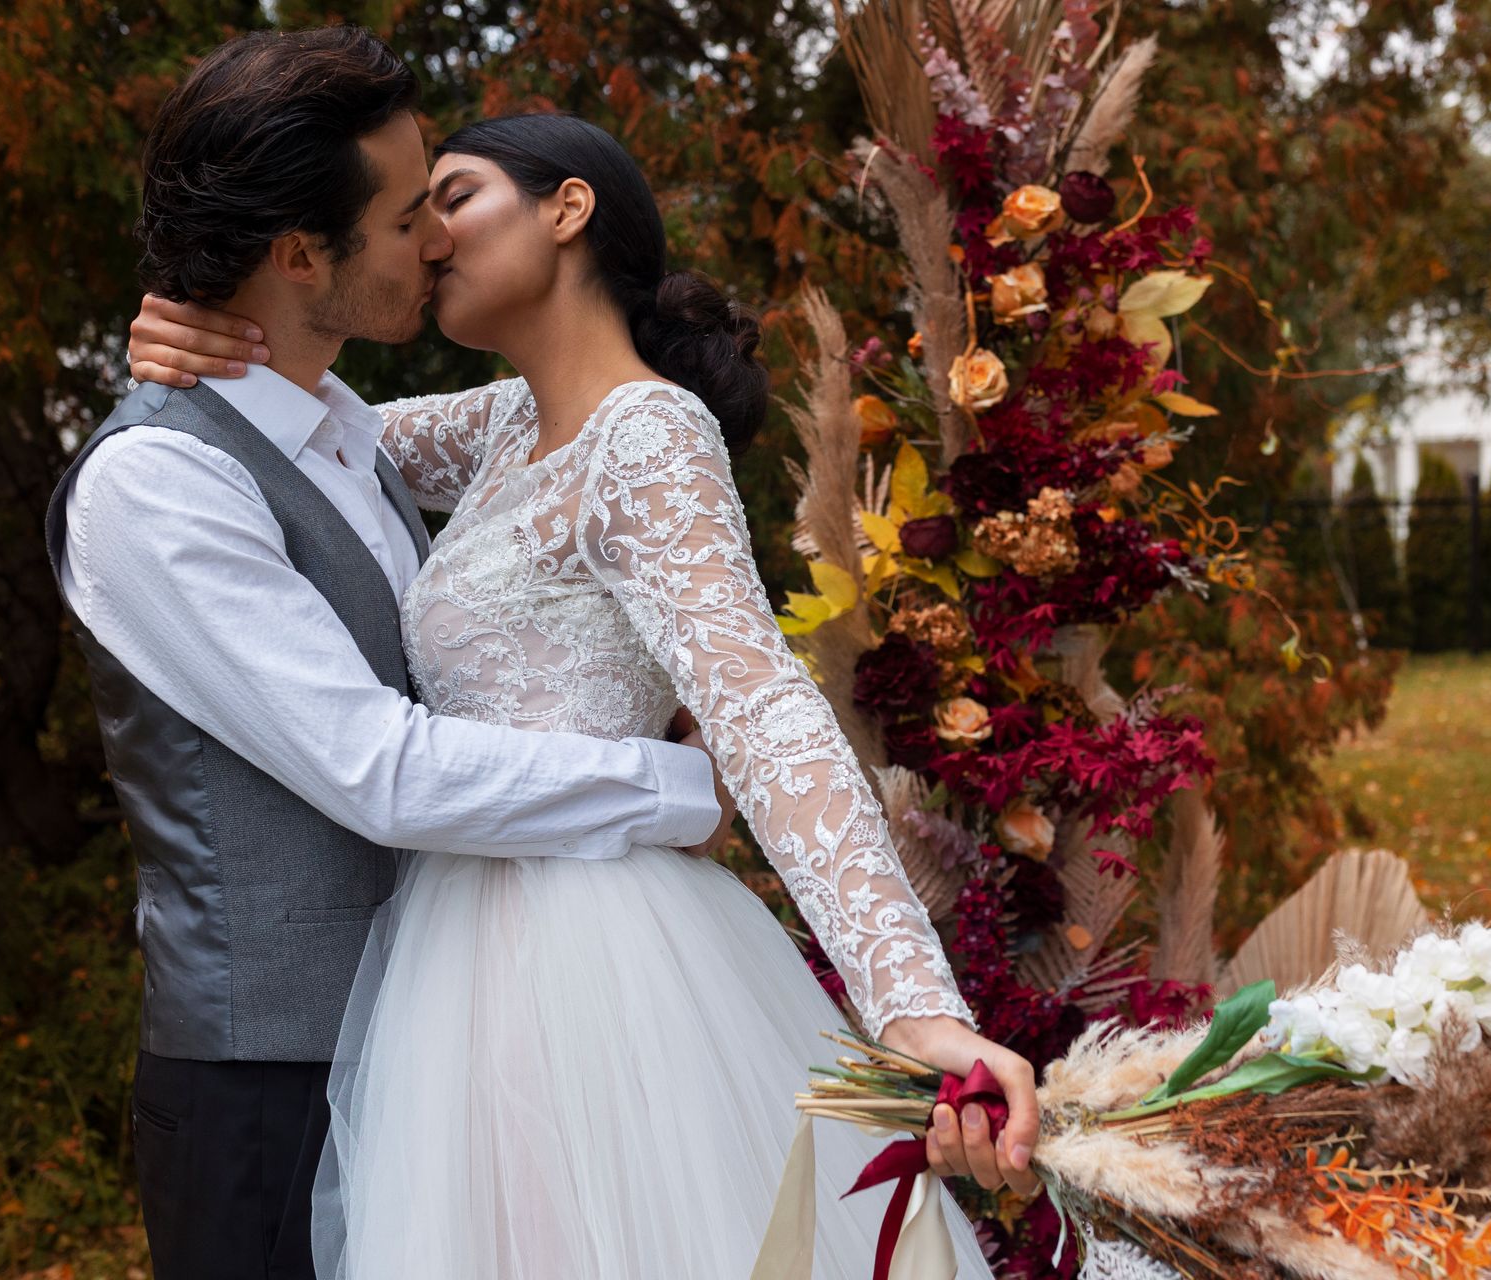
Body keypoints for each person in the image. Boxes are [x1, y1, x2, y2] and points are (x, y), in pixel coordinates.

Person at [126, 34, 1042, 1280]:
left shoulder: (649, 436)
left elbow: (764, 708)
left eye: (451, 199)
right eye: (413, 216)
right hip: (450, 969)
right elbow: (303, 437)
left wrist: (913, 1003)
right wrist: (189, 340)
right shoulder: (497, 426)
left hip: (598, 959)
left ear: (568, 209)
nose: (433, 240)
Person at [45, 28, 742, 1280]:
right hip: (269, 1088)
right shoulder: (156, 483)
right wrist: (680, 781)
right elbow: (384, 769)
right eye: (411, 212)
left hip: (447, 1044)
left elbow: (574, 433)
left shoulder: (350, 437)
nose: (440, 241)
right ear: (302, 253)